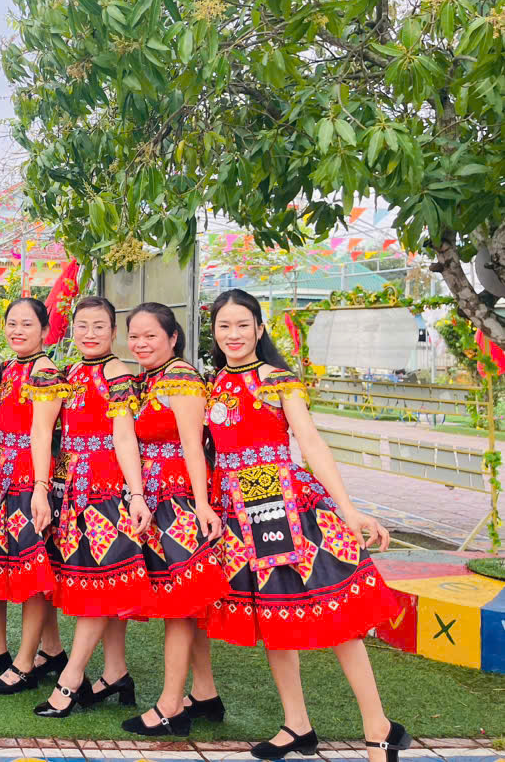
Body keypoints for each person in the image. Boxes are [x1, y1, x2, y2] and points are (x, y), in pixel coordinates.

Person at [205, 289, 409, 762]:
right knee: (274, 616)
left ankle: (379, 726)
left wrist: (348, 509)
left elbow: (311, 443)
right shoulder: (212, 383)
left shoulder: (278, 380)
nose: (233, 334)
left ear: (260, 329)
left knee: (338, 616)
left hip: (286, 507)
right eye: (224, 326)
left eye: (243, 325)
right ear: (214, 332)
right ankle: (296, 724)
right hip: (238, 514)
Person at [34, 296, 153, 717]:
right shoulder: (67, 374)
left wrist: (136, 494)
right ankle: (116, 672)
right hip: (72, 492)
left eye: (99, 326)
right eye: (82, 326)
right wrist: (43, 487)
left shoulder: (117, 373)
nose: (89, 333)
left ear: (113, 332)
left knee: (101, 585)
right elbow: (43, 431)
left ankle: (71, 678)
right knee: (103, 582)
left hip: (107, 493)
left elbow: (124, 436)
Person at [119, 302, 230, 737]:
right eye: (135, 336)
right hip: (160, 500)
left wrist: (201, 503)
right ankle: (205, 693)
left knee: (181, 603)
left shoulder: (180, 377)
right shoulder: (149, 379)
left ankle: (170, 706)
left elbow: (192, 445)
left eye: (151, 336)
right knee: (185, 599)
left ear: (173, 338)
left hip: (181, 500)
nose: (141, 343)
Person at [0, 298, 67, 696]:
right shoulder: (10, 367)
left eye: (27, 324)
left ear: (44, 331)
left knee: (33, 572)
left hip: (30, 483)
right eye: (11, 323)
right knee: (3, 564)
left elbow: (43, 433)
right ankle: (48, 650)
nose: (17, 331)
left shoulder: (45, 372)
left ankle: (25, 663)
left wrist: (41, 490)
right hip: (2, 479)